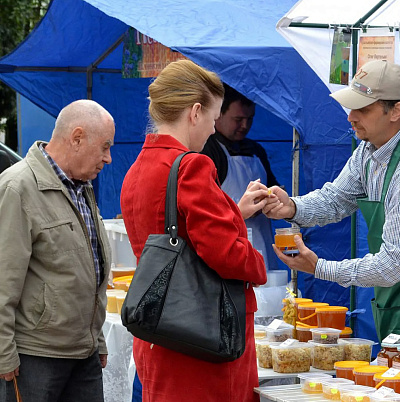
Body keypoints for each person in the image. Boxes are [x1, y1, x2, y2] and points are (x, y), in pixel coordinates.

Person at [265, 60, 400, 344]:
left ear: (396, 111)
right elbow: (336, 199)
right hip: (397, 295)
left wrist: (319, 267)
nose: (350, 117)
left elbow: (392, 265)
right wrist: (293, 207)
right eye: (351, 107)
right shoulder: (368, 150)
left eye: (362, 108)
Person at [120, 59, 268, 402]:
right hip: (203, 336)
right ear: (195, 112)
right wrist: (258, 263)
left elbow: (177, 230)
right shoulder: (192, 166)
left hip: (160, 329)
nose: (214, 131)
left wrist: (233, 211)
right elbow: (225, 254)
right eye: (214, 120)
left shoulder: (137, 170)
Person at [0, 99, 115, 401]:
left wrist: (98, 339)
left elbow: (88, 268)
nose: (109, 158)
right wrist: (3, 355)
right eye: (104, 147)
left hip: (84, 354)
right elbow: (2, 281)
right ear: (77, 138)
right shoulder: (18, 187)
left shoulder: (81, 186)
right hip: (35, 357)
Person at [201, 84, 280, 271]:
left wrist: (275, 197)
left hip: (262, 243)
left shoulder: (256, 150)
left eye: (249, 119)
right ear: (218, 114)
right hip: (229, 246)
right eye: (238, 119)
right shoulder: (207, 150)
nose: (244, 126)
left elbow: (273, 186)